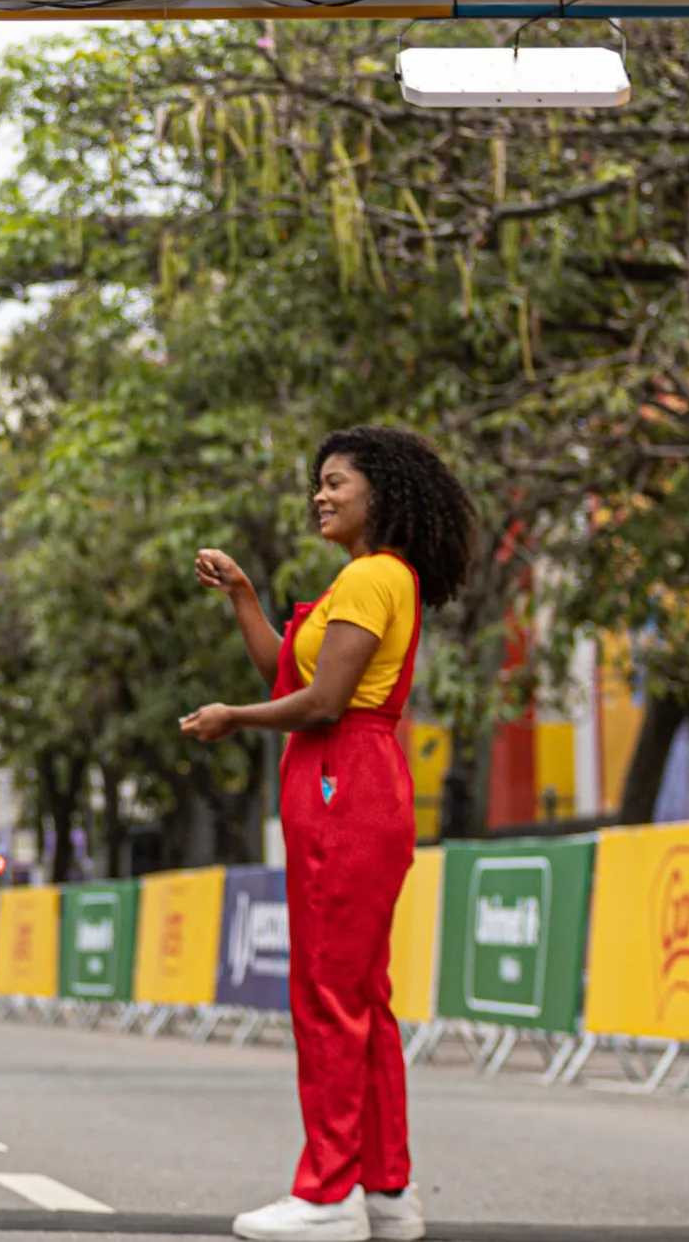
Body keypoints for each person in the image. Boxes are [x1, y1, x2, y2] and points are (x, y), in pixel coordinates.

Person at [185, 426, 475, 1242]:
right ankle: (385, 1190)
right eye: (319, 481)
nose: (321, 494)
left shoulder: (371, 579)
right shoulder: (371, 579)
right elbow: (291, 669)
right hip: (355, 778)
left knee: (329, 999)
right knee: (362, 998)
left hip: (344, 779)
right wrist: (244, 593)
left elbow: (321, 704)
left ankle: (327, 1192)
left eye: (336, 481)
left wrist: (234, 718)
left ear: (378, 492)